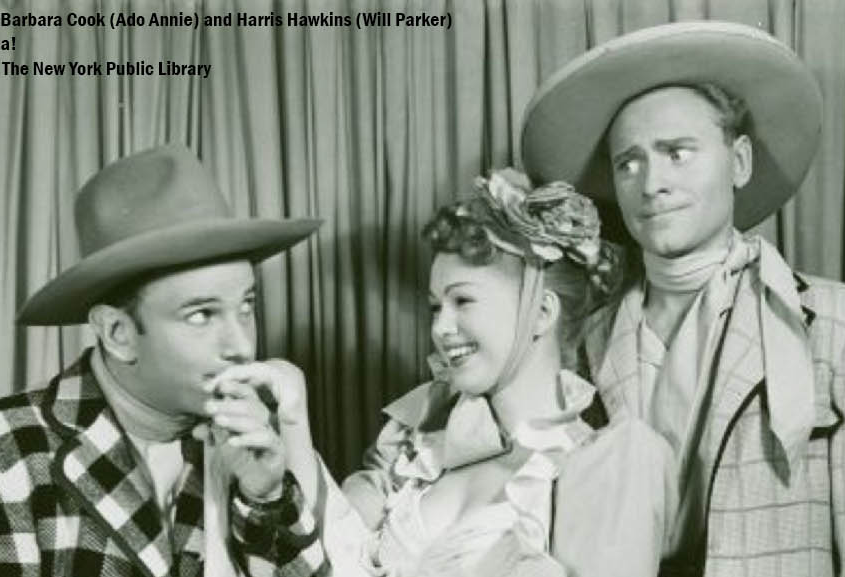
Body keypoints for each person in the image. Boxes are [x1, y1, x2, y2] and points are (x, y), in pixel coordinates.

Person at [519, 21, 845, 575]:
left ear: (739, 162)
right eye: (628, 163)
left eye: (677, 153)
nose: (651, 183)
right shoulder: (581, 344)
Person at [224, 169, 673, 577]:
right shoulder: (419, 453)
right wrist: (293, 419)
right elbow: (328, 561)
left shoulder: (597, 468)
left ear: (541, 312)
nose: (440, 328)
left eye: (463, 301)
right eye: (436, 307)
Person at [0, 145, 330, 577]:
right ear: (118, 334)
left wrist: (266, 499)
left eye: (246, 307)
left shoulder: (253, 439)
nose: (242, 346)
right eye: (201, 315)